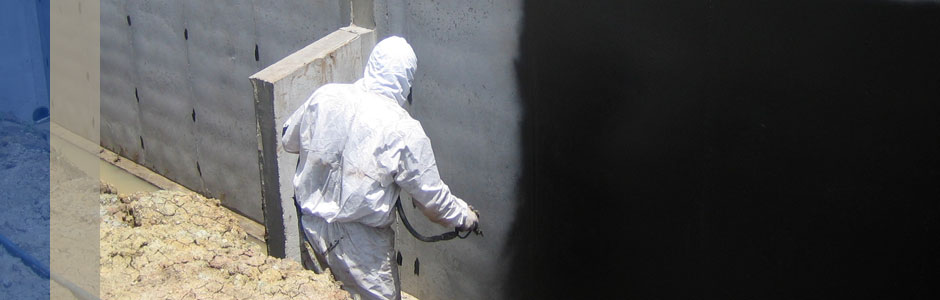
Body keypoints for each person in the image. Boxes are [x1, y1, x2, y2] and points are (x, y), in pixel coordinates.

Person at [280, 36, 480, 300]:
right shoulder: (404, 130)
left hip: (312, 228)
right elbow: (431, 200)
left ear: (372, 65)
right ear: (407, 80)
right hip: (361, 250)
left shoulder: (326, 96)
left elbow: (288, 139)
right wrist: (465, 218)